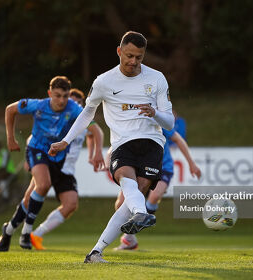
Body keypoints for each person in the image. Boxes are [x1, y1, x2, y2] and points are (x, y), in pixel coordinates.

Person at [49, 31, 175, 263]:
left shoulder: (156, 78)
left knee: (131, 198)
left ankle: (95, 252)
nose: (133, 62)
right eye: (129, 56)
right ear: (119, 51)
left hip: (152, 143)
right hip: (122, 143)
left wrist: (155, 113)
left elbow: (170, 122)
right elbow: (87, 113)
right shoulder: (103, 82)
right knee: (127, 180)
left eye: (139, 57)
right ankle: (142, 213)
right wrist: (66, 140)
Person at [0, 77, 105, 252]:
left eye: (65, 96)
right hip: (37, 150)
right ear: (49, 94)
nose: (62, 100)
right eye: (58, 96)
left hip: (58, 160)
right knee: (43, 185)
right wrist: (10, 138)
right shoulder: (38, 105)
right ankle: (27, 232)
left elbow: (95, 130)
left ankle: (8, 230)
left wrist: (97, 152)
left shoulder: (74, 109)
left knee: (54, 200)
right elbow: (10, 110)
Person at [114, 128, 201, 250]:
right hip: (140, 167)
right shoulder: (132, 122)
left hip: (163, 167)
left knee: (154, 196)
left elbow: (178, 139)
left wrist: (191, 164)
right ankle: (130, 238)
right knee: (120, 204)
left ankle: (139, 224)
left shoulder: (158, 122)